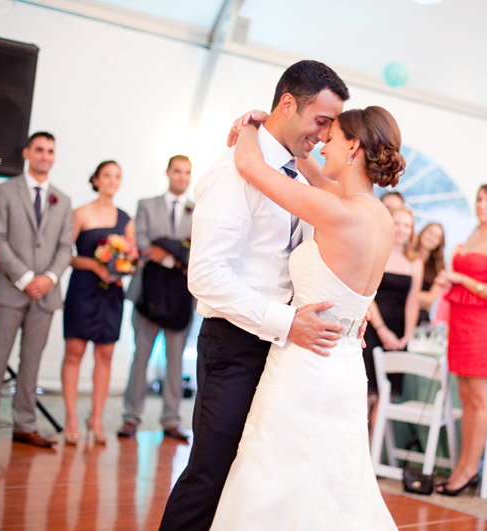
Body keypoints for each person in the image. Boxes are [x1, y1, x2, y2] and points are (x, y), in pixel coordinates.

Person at [158, 60, 351, 531]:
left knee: (257, 477)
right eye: (320, 121)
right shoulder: (232, 172)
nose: (324, 136)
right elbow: (205, 275)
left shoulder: (298, 176)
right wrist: (287, 323)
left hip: (287, 350)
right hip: (237, 342)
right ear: (288, 104)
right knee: (211, 470)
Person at [210, 104, 404, 529]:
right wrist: (296, 144)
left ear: (352, 146)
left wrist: (252, 124)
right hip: (347, 363)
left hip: (307, 363)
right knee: (330, 482)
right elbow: (311, 171)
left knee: (276, 477)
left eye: (329, 140)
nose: (320, 148)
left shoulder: (335, 211)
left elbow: (249, 164)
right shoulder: (381, 218)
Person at [0, 132, 73, 450]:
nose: (45, 155)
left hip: (46, 294)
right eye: (39, 150)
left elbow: (65, 246)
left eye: (50, 151)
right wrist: (26, 276)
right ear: (27, 153)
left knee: (32, 361)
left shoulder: (63, 199)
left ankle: (24, 424)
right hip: (8, 291)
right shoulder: (3, 191)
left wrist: (50, 278)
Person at [435, 184, 487, 496]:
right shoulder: (472, 235)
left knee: (479, 399)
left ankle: (469, 470)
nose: (482, 205)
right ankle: (462, 466)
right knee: (465, 397)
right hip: (461, 318)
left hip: (483, 322)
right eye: (480, 199)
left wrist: (461, 278)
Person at [118, 155, 194, 441]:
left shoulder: (197, 211)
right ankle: (131, 417)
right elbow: (142, 242)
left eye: (187, 173)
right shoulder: (146, 205)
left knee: (176, 361)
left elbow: (195, 251)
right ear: (168, 173)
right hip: (148, 291)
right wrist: (174, 257)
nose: (182, 177)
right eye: (177, 171)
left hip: (181, 296)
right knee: (141, 357)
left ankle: (171, 420)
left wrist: (173, 254)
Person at [61, 161, 135, 444]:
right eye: (107, 176)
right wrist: (94, 264)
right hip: (83, 289)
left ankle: (96, 418)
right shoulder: (80, 213)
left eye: (117, 176)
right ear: (96, 180)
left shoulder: (126, 219)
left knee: (105, 356)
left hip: (111, 294)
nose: (112, 180)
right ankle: (70, 419)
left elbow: (132, 258)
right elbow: (65, 254)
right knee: (74, 353)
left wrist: (124, 268)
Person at [362, 208, 422, 407]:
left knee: (386, 394)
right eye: (397, 224)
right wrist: (381, 329)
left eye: (407, 225)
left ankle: (377, 439)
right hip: (373, 326)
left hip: (398, 332)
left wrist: (407, 335)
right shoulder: (377, 251)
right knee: (366, 391)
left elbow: (413, 301)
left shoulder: (416, 262)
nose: (402, 229)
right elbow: (369, 294)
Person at [414, 222, 445, 324]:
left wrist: (401, 295)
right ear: (422, 232)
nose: (431, 238)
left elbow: (430, 299)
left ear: (439, 243)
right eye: (430, 233)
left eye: (437, 237)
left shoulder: (438, 267)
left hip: (420, 319)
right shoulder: (406, 256)